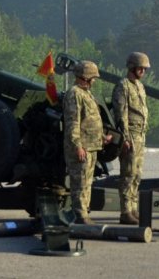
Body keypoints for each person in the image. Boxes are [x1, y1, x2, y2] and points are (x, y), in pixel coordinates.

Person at [63, 60, 112, 224]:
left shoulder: (87, 94)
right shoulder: (75, 94)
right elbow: (73, 122)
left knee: (87, 182)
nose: (95, 80)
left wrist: (102, 138)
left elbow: (90, 121)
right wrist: (77, 145)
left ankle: (84, 213)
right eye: (93, 77)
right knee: (80, 183)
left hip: (91, 146)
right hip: (82, 147)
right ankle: (80, 215)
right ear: (86, 77)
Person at [112, 52, 150, 225]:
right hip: (131, 135)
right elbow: (121, 114)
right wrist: (126, 138)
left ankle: (133, 209)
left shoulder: (140, 87)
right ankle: (125, 211)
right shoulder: (123, 86)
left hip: (141, 135)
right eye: (140, 68)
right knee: (128, 174)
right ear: (132, 67)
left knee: (137, 175)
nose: (143, 71)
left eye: (144, 68)